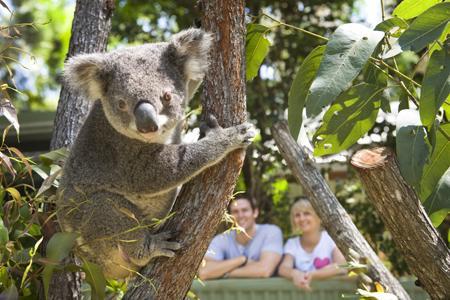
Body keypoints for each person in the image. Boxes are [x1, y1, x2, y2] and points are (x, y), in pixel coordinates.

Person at [198, 198, 283, 280]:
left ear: (255, 212)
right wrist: (242, 260)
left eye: (245, 210)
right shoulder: (222, 239)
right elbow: (204, 272)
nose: (240, 215)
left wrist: (223, 272)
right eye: (235, 212)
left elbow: (265, 270)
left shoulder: (270, 232)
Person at [278, 198, 346, 291]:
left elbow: (342, 266)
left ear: (319, 217)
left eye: (307, 213)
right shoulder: (292, 243)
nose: (302, 218)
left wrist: (312, 275)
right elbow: (283, 268)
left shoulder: (330, 238)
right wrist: (295, 274)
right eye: (297, 215)